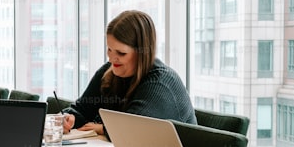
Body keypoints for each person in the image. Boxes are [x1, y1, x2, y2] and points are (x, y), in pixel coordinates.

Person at [62, 9, 195, 136]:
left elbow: (131, 129)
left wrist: (103, 128)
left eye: (121, 53)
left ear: (142, 53)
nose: (112, 58)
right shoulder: (110, 70)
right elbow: (82, 110)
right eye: (109, 49)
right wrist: (69, 118)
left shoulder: (161, 83)